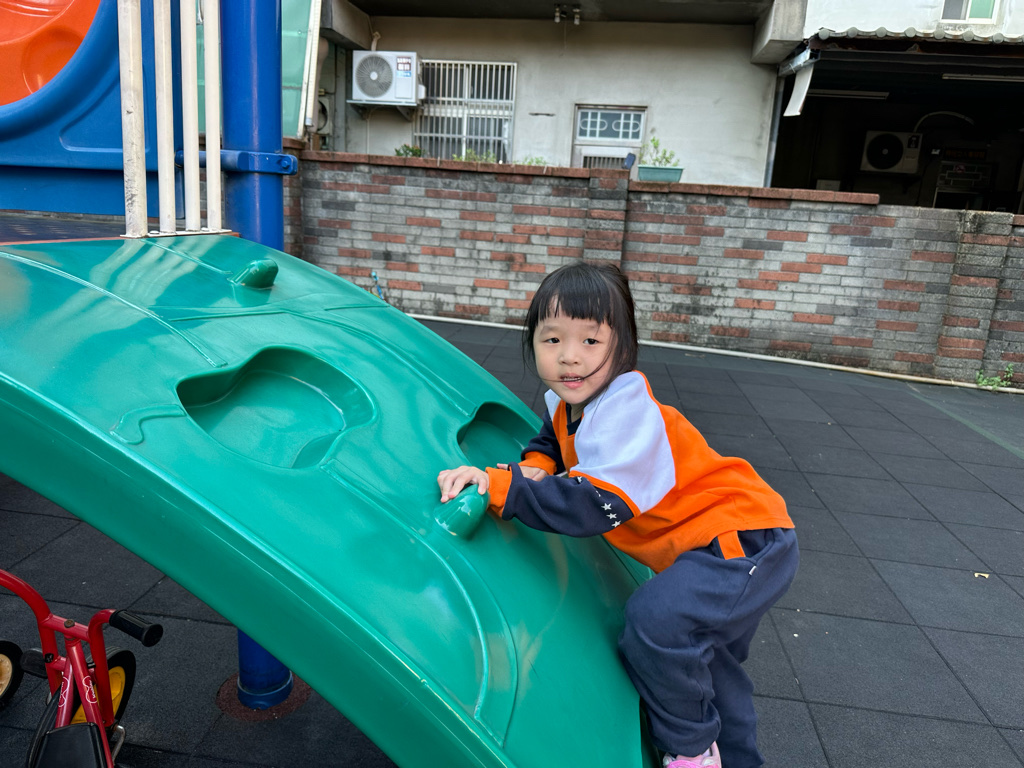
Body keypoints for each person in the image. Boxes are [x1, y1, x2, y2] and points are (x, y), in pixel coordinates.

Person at [437, 262, 798, 768]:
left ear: (622, 349)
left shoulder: (626, 414)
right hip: (723, 538)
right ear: (532, 343)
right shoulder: (571, 401)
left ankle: (692, 750)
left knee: (656, 623)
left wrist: (505, 488)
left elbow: (594, 505)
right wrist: (537, 465)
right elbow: (552, 437)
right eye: (552, 339)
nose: (569, 356)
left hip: (741, 540)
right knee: (712, 669)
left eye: (590, 341)